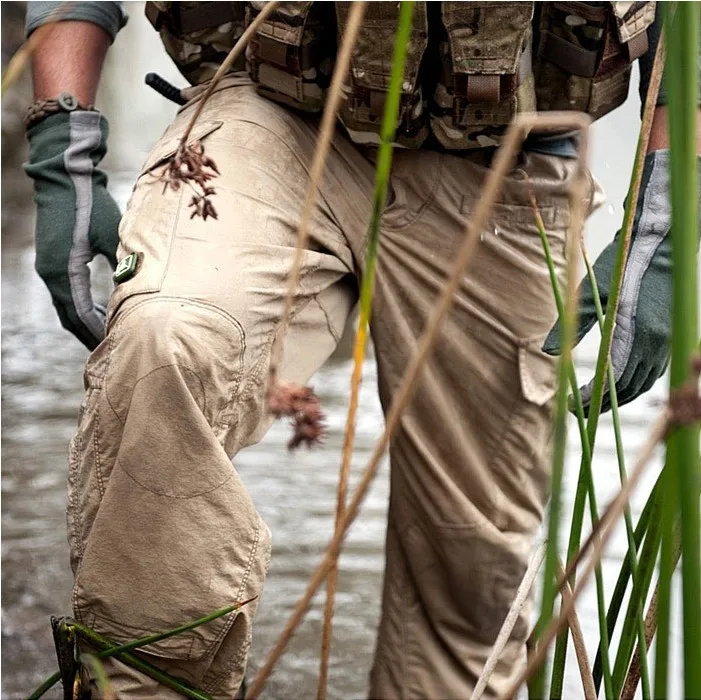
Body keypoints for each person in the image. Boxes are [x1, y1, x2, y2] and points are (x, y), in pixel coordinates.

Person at [23, 2, 696, 698]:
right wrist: (63, 144)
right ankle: (140, 684)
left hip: (510, 153)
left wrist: (667, 218)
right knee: (168, 343)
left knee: (472, 582)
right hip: (272, 112)